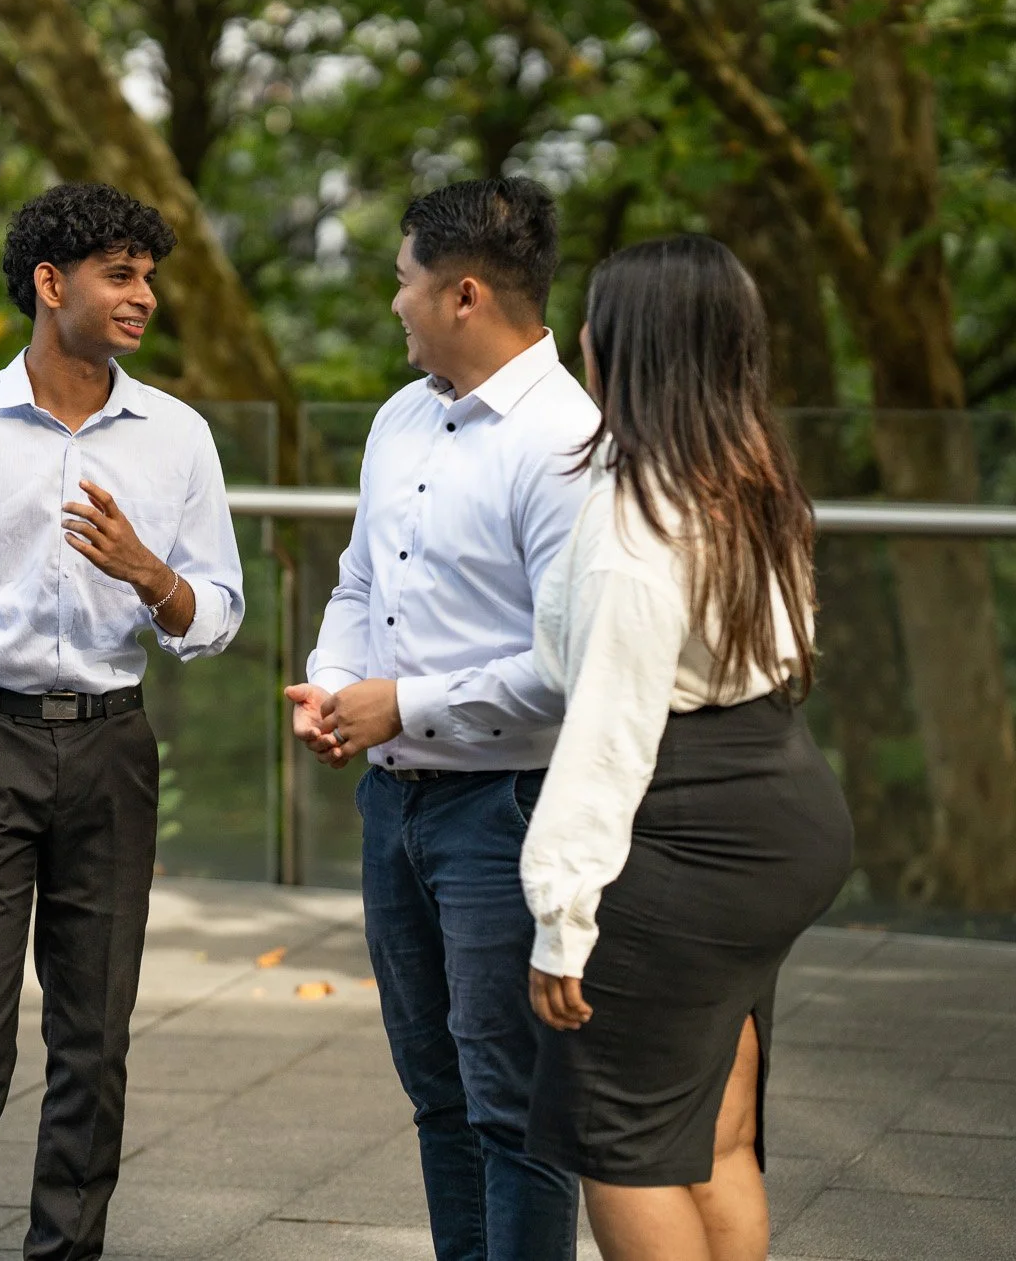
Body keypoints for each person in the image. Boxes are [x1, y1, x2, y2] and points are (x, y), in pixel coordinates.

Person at [0, 182, 246, 1261]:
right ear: (49, 283)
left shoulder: (177, 438)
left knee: (93, 1036)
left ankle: (65, 1251)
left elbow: (214, 619)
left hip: (113, 742)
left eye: (148, 276)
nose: (143, 296)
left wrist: (146, 572)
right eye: (120, 274)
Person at [520, 234, 852, 1261]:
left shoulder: (634, 524)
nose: (578, 338)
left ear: (622, 347)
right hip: (779, 809)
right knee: (715, 1130)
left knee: (623, 1145)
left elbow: (609, 737)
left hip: (684, 836)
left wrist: (559, 916)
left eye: (590, 321)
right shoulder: (749, 489)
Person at [285, 177, 593, 1260]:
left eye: (403, 281)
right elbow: (357, 582)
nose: (392, 304)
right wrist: (332, 688)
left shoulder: (568, 444)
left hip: (506, 810)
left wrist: (400, 702)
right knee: (436, 1094)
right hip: (394, 804)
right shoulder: (397, 417)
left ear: (462, 294)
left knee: (512, 1106)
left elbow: (568, 668)